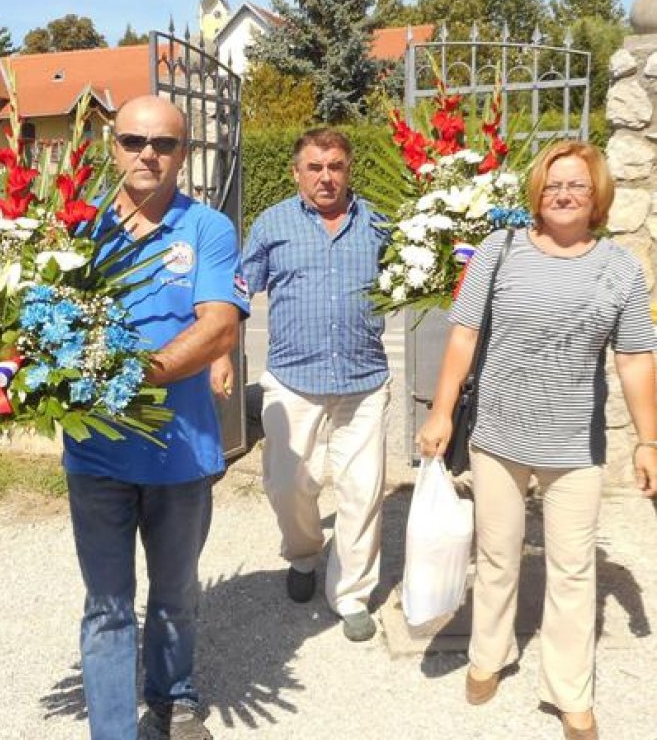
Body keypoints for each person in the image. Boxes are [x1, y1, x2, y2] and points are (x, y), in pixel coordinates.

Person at [417, 140, 657, 740]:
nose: (564, 194)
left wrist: (648, 440)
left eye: (576, 185)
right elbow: (464, 336)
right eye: (553, 185)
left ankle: (569, 691)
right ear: (537, 193)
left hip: (576, 446)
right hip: (498, 435)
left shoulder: (622, 268)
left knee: (573, 569)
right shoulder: (498, 252)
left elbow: (634, 360)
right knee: (496, 555)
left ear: (597, 194)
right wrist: (441, 412)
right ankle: (488, 655)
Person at [62, 95, 249, 740]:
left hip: (181, 452)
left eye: (164, 144)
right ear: (112, 145)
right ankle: (113, 731)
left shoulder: (207, 230)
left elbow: (220, 325)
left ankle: (174, 697)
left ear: (184, 155)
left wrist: (138, 374)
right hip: (96, 457)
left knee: (175, 596)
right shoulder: (77, 229)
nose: (148, 153)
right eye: (134, 140)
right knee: (108, 607)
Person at [240, 127, 391, 643]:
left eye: (335, 167)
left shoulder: (379, 223)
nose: (325, 177)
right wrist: (217, 352)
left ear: (349, 170)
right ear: (297, 172)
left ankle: (350, 592)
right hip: (292, 380)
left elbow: (418, 277)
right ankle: (304, 554)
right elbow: (240, 290)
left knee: (362, 489)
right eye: (314, 167)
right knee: (288, 486)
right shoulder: (273, 224)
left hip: (363, 382)